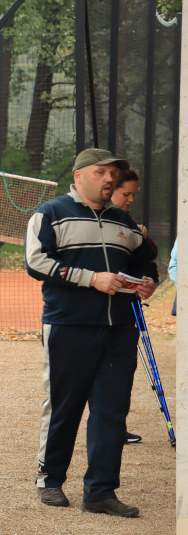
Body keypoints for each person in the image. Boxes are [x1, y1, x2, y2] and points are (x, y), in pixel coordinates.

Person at [25, 148, 158, 518]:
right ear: (80, 175)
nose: (109, 179)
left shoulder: (126, 223)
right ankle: (49, 479)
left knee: (112, 410)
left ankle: (100, 491)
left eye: (112, 173)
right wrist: (90, 279)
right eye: (101, 172)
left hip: (120, 330)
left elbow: (145, 262)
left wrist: (149, 282)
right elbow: (36, 261)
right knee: (64, 406)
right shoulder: (50, 213)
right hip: (69, 325)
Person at [109, 167, 154, 445]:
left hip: (125, 313)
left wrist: (143, 238)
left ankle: (115, 426)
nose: (130, 199)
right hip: (92, 315)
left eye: (133, 195)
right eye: (126, 194)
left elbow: (148, 258)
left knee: (120, 374)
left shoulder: (130, 223)